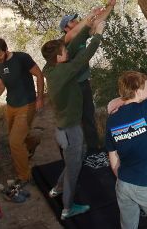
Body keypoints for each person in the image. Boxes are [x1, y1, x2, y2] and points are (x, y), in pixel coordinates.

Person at [41, 20, 106, 220]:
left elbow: (73, 44)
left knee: (77, 156)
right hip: (70, 130)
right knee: (74, 167)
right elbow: (85, 57)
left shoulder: (50, 67)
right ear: (58, 57)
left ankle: (57, 189)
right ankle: (68, 208)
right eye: (64, 51)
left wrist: (86, 28)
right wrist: (98, 35)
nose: (67, 51)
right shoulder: (64, 71)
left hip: (64, 128)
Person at [106, 72, 147, 229]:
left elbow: (112, 154)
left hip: (124, 184)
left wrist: (121, 176)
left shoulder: (112, 120)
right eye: (145, 87)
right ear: (139, 91)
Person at [59, 0, 116, 152]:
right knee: (74, 120)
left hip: (83, 83)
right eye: (72, 21)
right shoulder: (65, 40)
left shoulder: (82, 35)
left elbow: (97, 23)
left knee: (88, 116)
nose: (76, 21)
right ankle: (73, 150)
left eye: (75, 19)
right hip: (70, 87)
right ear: (66, 28)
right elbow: (78, 30)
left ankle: (93, 148)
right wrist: (90, 15)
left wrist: (110, 6)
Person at [0, 37, 44, 186]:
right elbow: (0, 85)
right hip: (11, 106)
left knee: (15, 142)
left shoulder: (22, 58)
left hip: (27, 105)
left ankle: (24, 176)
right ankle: (34, 141)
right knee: (16, 137)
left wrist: (40, 98)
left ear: (6, 50)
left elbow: (39, 75)